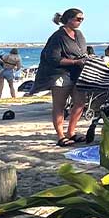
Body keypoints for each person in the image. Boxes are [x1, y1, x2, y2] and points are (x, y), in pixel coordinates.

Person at [35, 8, 89, 146]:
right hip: (60, 73)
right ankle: (60, 135)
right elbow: (52, 58)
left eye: (82, 19)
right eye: (78, 19)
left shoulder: (79, 34)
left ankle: (71, 132)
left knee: (80, 102)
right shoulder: (58, 36)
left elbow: (83, 51)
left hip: (77, 73)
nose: (81, 21)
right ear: (69, 19)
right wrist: (74, 61)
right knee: (59, 105)